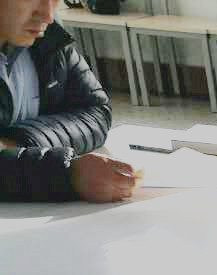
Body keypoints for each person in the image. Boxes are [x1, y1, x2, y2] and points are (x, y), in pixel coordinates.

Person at [0, 0, 135, 201]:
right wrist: (67, 175)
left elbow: (95, 110)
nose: (48, 16)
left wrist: (17, 144)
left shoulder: (47, 35)